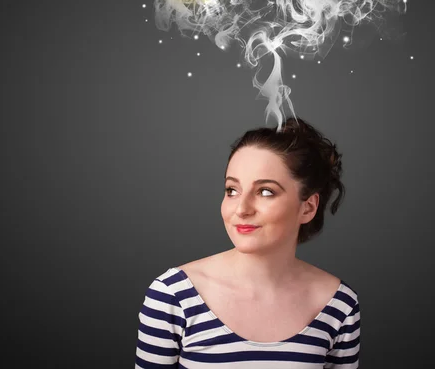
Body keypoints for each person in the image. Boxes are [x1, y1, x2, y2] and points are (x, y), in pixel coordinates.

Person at [134, 117, 360, 367]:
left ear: (308, 208)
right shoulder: (173, 296)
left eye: (265, 191)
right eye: (232, 190)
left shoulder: (339, 304)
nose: (241, 209)